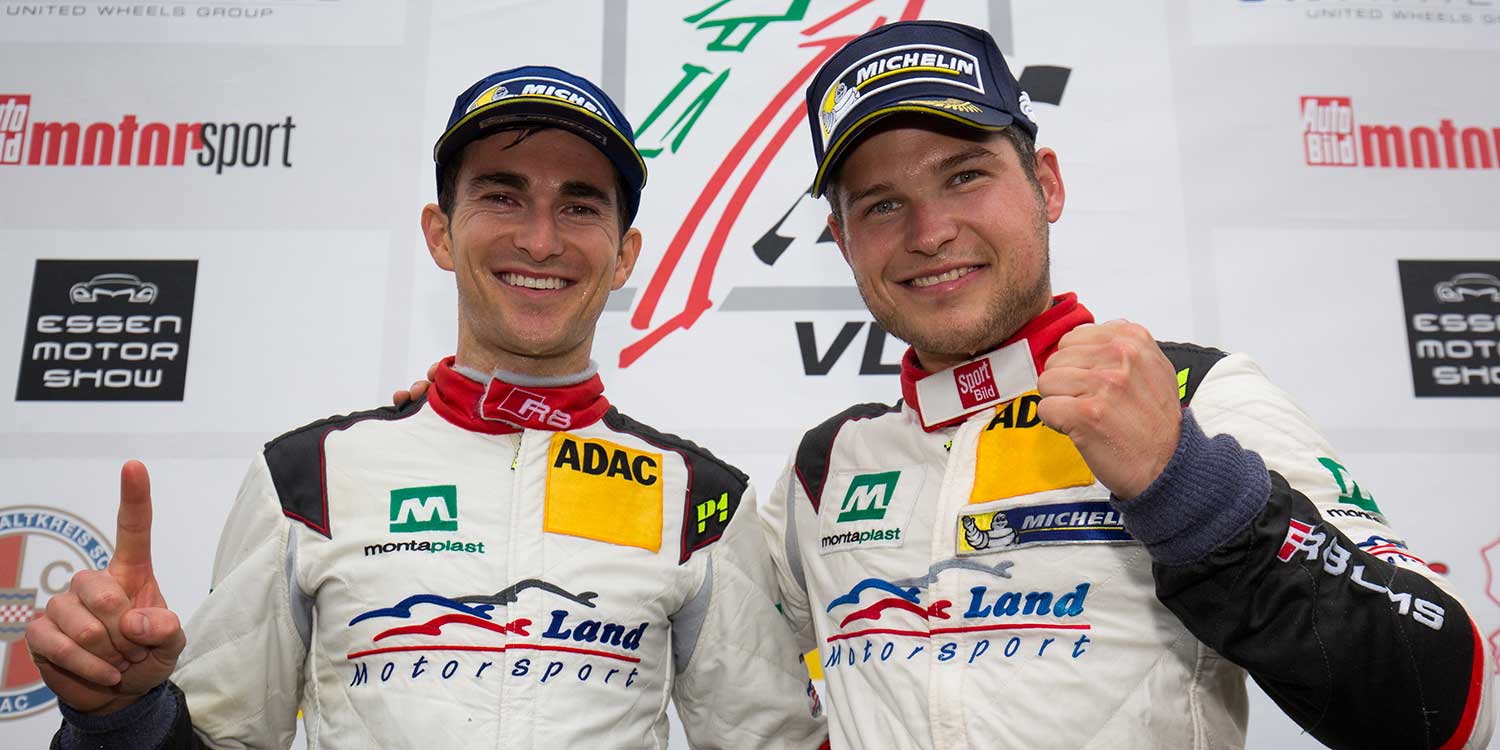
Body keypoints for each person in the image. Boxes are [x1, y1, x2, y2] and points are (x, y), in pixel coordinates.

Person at [24, 65, 826, 750]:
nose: (540, 240)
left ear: (624, 256)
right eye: (503, 197)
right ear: (441, 234)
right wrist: (121, 715)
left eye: (580, 205)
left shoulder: (700, 497)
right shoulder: (308, 476)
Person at [755, 19, 1494, 749]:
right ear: (843, 240)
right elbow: (741, 701)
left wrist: (1187, 485)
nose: (930, 232)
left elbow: (1454, 710)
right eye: (882, 204)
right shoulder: (823, 472)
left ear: (1046, 185)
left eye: (965, 176)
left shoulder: (1191, 395)